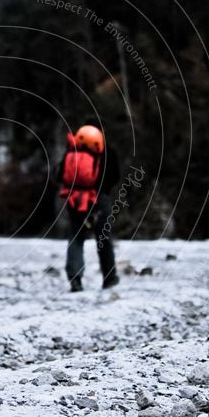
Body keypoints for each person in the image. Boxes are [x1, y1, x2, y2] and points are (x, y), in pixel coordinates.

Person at [56, 117, 120, 292]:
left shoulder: (72, 151)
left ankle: (75, 279)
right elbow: (115, 176)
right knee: (103, 238)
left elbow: (60, 175)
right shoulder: (106, 151)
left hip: (75, 200)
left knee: (76, 237)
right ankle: (109, 278)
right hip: (99, 200)